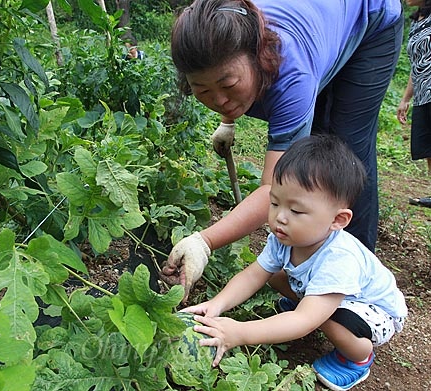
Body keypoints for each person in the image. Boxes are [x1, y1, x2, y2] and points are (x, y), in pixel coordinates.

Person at [161, 0, 404, 302]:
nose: (220, 100)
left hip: (369, 18)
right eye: (204, 91)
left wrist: (204, 241)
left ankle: (352, 292)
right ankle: (307, 269)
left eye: (229, 85)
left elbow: (272, 187)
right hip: (318, 30)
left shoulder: (292, 75)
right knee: (309, 164)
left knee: (342, 157)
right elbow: (219, 79)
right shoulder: (223, 37)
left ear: (258, 56)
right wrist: (229, 121)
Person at [181, 135, 408, 391]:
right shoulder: (284, 238)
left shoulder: (340, 258)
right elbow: (253, 274)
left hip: (375, 311)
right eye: (275, 203)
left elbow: (304, 321)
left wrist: (240, 332)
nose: (280, 218)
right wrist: (216, 304)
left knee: (324, 316)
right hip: (331, 293)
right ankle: (310, 302)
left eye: (296, 211)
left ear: (338, 220)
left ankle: (357, 358)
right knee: (274, 275)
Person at [396, 0, 431, 208]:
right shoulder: (417, 22)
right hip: (422, 94)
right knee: (426, 148)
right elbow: (416, 64)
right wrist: (405, 98)